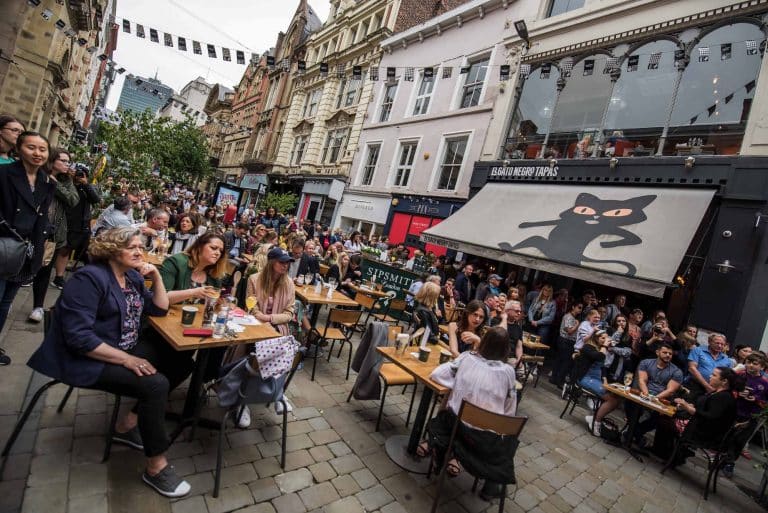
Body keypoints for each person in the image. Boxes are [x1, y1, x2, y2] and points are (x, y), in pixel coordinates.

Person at [27, 227, 192, 497]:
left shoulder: (132, 278)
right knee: (155, 385)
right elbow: (79, 339)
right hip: (88, 358)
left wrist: (157, 277)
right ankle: (156, 467)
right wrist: (127, 359)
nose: (140, 251)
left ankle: (127, 424)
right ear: (112, 250)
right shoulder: (89, 278)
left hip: (122, 346)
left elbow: (159, 308)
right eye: (133, 247)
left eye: (142, 246)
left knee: (182, 360)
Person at [419, 326, 518, 499]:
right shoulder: (509, 373)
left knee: (446, 415)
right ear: (505, 350)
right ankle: (491, 486)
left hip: (454, 432)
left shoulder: (467, 359)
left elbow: (437, 374)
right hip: (485, 444)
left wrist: (459, 381)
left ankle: (441, 454)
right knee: (509, 438)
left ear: (484, 342)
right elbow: (509, 411)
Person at [0, 132, 56, 363]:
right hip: (4, 243)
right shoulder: (4, 173)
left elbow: (42, 219)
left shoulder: (46, 182)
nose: (37, 153)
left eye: (42, 149)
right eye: (31, 147)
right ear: (19, 148)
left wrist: (39, 250)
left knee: (6, 301)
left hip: (26, 249)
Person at [28, 148, 79, 322]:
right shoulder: (38, 174)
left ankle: (38, 306)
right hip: (30, 228)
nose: (67, 165)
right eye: (63, 161)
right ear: (52, 160)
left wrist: (55, 184)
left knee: (44, 270)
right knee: (22, 265)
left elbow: (73, 200)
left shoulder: (65, 180)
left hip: (53, 233)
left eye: (68, 161)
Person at [245, 247, 297, 413]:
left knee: (283, 347)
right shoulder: (254, 279)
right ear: (272, 262)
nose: (285, 266)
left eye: (288, 263)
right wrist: (260, 317)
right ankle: (242, 400)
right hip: (255, 324)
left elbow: (289, 313)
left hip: (276, 326)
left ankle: (277, 392)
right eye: (282, 262)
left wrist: (270, 319)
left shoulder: (288, 283)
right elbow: (251, 307)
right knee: (250, 352)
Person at [671, 367, 739, 466]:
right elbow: (706, 409)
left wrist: (687, 407)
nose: (710, 376)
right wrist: (689, 405)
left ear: (724, 381)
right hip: (700, 428)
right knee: (668, 417)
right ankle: (676, 454)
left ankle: (672, 454)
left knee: (666, 420)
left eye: (714, 375)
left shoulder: (724, 397)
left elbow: (709, 417)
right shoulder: (718, 393)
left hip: (704, 435)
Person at [52, 164, 101, 288]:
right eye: (78, 173)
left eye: (83, 174)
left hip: (84, 224)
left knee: (85, 251)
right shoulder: (67, 184)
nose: (79, 176)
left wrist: (85, 184)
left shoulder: (88, 187)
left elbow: (95, 199)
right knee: (64, 250)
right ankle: (58, 277)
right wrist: (70, 179)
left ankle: (87, 279)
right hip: (69, 222)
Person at [626, 343, 683, 447]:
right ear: (657, 352)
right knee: (629, 403)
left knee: (658, 418)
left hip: (661, 399)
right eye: (665, 352)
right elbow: (642, 380)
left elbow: (670, 390)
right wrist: (646, 394)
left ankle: (632, 432)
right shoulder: (646, 362)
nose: (668, 355)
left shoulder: (677, 371)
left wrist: (654, 398)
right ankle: (635, 435)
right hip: (643, 393)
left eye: (670, 354)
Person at [722, 353, 768, 476]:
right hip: (734, 410)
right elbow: (727, 388)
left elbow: (766, 402)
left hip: (751, 416)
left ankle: (730, 463)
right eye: (748, 362)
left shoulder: (765, 382)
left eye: (755, 363)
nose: (750, 365)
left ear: (762, 367)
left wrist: (757, 400)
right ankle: (722, 458)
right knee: (727, 436)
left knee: (740, 440)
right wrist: (738, 394)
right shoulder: (740, 375)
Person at [575, 330, 621, 437]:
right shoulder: (588, 347)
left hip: (597, 380)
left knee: (617, 397)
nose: (605, 340)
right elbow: (599, 357)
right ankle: (596, 422)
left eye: (606, 338)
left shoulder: (602, 349)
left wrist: (605, 380)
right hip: (585, 378)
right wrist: (605, 346)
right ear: (596, 338)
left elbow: (603, 367)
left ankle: (595, 415)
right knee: (612, 400)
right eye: (602, 338)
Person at [687, 333, 733, 400]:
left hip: (713, 391)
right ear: (709, 342)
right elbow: (692, 368)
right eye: (717, 343)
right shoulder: (698, 350)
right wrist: (707, 386)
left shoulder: (726, 359)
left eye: (722, 344)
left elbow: (727, 378)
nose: (720, 346)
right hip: (694, 385)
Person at [550, 301, 583, 388]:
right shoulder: (568, 317)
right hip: (565, 340)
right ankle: (558, 380)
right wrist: (577, 325)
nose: (580, 310)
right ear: (573, 307)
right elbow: (569, 331)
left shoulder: (574, 317)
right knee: (565, 361)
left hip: (568, 341)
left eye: (581, 308)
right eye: (579, 307)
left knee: (560, 360)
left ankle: (554, 378)